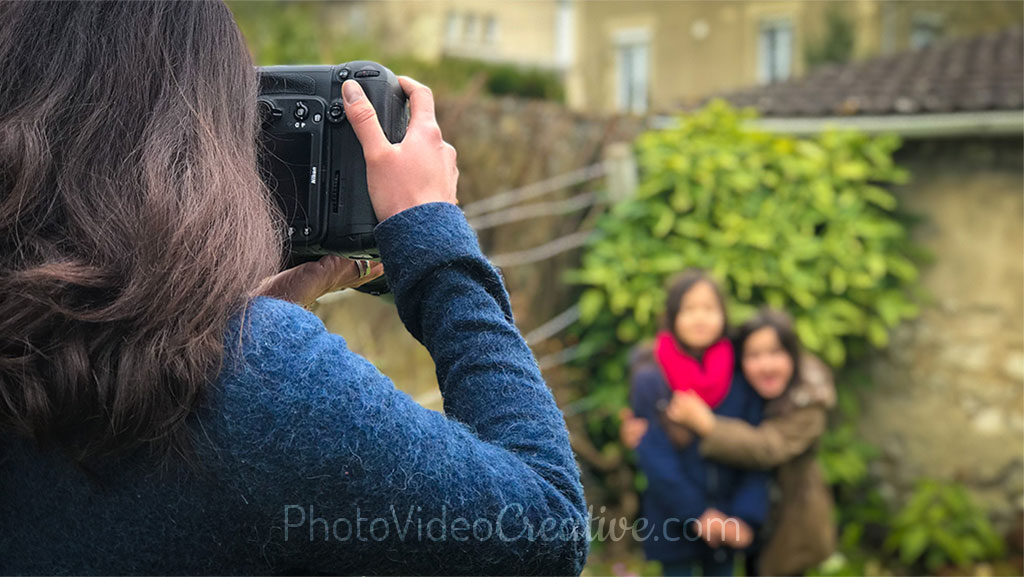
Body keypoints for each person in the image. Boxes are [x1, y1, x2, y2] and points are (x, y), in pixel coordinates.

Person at [0, 2, 588, 574]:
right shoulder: (258, 379)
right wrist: (431, 232)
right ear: (193, 141)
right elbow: (546, 526)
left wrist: (219, 321)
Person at [623, 309, 837, 576]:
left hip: (788, 525)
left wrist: (708, 425)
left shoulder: (809, 399)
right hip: (738, 521)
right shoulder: (741, 388)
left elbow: (765, 448)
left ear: (792, 355)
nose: (766, 365)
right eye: (754, 355)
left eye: (776, 353)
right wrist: (650, 410)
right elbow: (663, 356)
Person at [628, 270, 768, 577]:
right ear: (672, 315)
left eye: (709, 308)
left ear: (723, 314)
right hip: (672, 516)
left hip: (729, 519)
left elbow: (756, 450)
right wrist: (698, 514)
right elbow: (654, 456)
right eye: (689, 309)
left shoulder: (741, 374)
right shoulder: (651, 377)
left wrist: (744, 516)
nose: (700, 318)